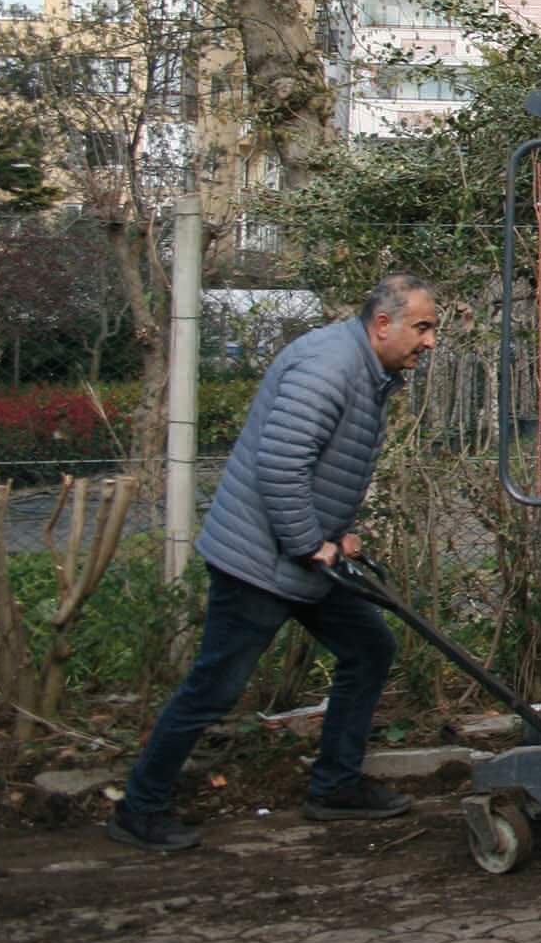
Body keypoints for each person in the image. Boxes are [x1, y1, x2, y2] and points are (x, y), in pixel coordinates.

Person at [111, 273, 440, 853]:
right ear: (382, 324)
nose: (430, 341)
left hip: (305, 553)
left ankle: (335, 786)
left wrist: (341, 533)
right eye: (422, 327)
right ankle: (140, 807)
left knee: (370, 648)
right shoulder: (329, 368)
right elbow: (282, 465)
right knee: (215, 687)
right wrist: (312, 542)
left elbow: (323, 463)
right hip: (260, 561)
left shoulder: (364, 370)